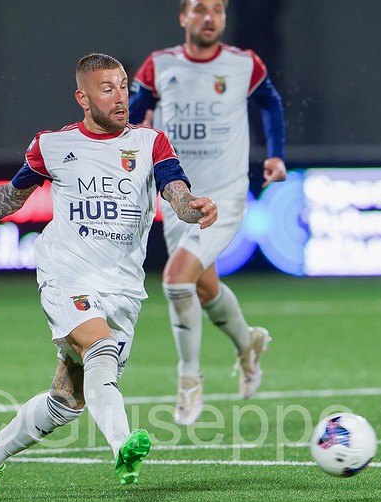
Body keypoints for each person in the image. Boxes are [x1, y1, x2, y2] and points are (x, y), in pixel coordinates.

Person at [0, 52, 217, 502]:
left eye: (123, 86)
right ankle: (122, 447)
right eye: (107, 88)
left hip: (123, 286)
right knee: (100, 345)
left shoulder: (151, 143)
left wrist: (194, 207)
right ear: (82, 97)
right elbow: (10, 200)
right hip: (66, 271)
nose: (120, 96)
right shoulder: (52, 145)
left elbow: (176, 194)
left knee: (68, 401)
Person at [129, 0, 287, 426]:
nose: (208, 17)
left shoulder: (243, 65)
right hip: (177, 194)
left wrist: (276, 155)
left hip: (225, 195)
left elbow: (270, 103)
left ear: (224, 17)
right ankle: (248, 342)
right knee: (203, 288)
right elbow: (132, 114)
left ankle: (188, 379)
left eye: (217, 9)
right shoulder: (158, 66)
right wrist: (136, 129)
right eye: (199, 9)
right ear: (183, 17)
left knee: (176, 278)